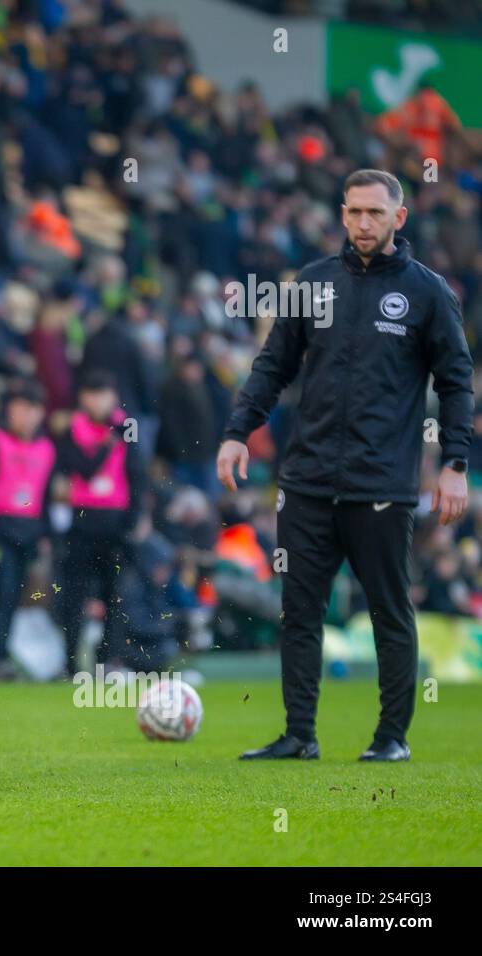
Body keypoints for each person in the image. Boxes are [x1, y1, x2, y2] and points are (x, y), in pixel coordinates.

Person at [220, 168, 473, 763]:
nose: (364, 223)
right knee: (299, 611)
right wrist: (237, 433)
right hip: (306, 481)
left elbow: (457, 383)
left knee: (389, 609)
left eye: (376, 214)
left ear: (398, 219)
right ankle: (299, 735)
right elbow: (271, 367)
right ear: (342, 214)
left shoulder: (428, 292)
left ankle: (391, 738)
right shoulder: (311, 285)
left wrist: (456, 462)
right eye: (355, 212)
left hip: (381, 484)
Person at [54, 369, 144, 675]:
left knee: (114, 596)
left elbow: (137, 474)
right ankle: (70, 664)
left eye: (104, 395)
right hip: (82, 521)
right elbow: (82, 469)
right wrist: (108, 444)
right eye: (93, 395)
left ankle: (109, 661)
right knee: (73, 597)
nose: (98, 402)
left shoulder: (127, 426)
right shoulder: (72, 430)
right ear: (83, 398)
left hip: (115, 523)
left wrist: (135, 519)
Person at [0, 379, 56, 681]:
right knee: (1, 593)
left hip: (30, 530)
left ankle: (4, 656)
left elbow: (45, 495)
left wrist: (45, 534)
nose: (24, 416)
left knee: (19, 595)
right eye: (18, 409)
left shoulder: (46, 449)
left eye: (30, 410)